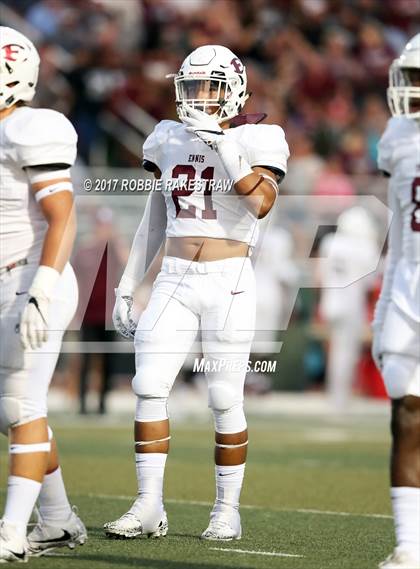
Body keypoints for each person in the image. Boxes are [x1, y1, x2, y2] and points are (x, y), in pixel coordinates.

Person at [104, 44, 289, 540]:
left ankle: (227, 510)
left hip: (229, 281)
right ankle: (148, 505)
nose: (199, 97)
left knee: (225, 397)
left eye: (210, 87)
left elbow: (261, 203)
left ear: (235, 91)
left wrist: (224, 145)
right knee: (148, 386)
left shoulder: (259, 136)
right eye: (191, 87)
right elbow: (155, 218)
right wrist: (128, 284)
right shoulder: (167, 136)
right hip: (174, 278)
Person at [0, 27, 86, 562]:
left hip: (32, 276)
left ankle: (11, 532)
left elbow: (63, 217)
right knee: (8, 409)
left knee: (20, 404)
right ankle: (57, 520)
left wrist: (42, 290)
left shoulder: (30, 128)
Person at [372, 33, 420, 569]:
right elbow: (401, 235)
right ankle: (410, 545)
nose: (411, 88)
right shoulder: (399, 136)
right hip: (410, 289)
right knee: (406, 413)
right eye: (411, 77)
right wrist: (385, 307)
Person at [319, 207, 379, 413]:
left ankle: (334, 395)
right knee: (346, 353)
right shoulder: (365, 247)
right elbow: (370, 283)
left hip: (331, 302)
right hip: (351, 303)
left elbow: (320, 275)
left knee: (336, 351)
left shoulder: (330, 243)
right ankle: (339, 398)